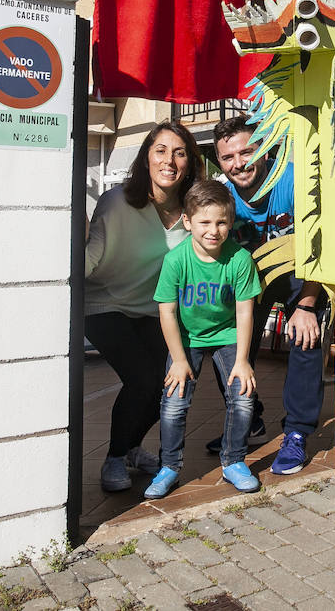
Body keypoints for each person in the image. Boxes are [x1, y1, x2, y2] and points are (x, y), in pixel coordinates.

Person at [84, 121, 202, 493]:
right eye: (161, 151)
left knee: (173, 382)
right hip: (104, 302)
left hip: (152, 309)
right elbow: (92, 256)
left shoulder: (192, 213)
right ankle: (115, 456)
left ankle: (132, 447)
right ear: (146, 158)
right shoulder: (117, 201)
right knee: (143, 379)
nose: (170, 160)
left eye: (179, 152)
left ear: (190, 162)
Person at [213, 115, 328, 476]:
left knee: (305, 335)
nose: (238, 163)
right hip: (254, 279)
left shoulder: (293, 180)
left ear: (264, 150)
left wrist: (308, 304)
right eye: (228, 157)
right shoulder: (222, 198)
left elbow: (323, 244)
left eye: (246, 152)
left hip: (302, 272)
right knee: (224, 338)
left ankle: (296, 431)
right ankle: (249, 417)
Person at [144, 180, 263, 498]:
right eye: (205, 222)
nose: (214, 230)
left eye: (222, 222)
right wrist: (179, 360)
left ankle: (234, 461)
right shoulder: (176, 261)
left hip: (227, 334)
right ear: (188, 221)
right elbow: (166, 312)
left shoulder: (239, 260)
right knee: (174, 403)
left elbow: (244, 313)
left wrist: (242, 360)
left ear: (230, 221)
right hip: (187, 337)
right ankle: (169, 467)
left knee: (243, 394)